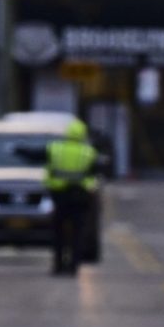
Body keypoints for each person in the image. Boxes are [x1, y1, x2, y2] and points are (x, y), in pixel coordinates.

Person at [45, 117, 102, 276]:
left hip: (60, 197)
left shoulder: (56, 149)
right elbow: (95, 173)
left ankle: (58, 265)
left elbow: (37, 155)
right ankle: (73, 266)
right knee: (78, 234)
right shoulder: (88, 152)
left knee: (59, 234)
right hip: (80, 198)